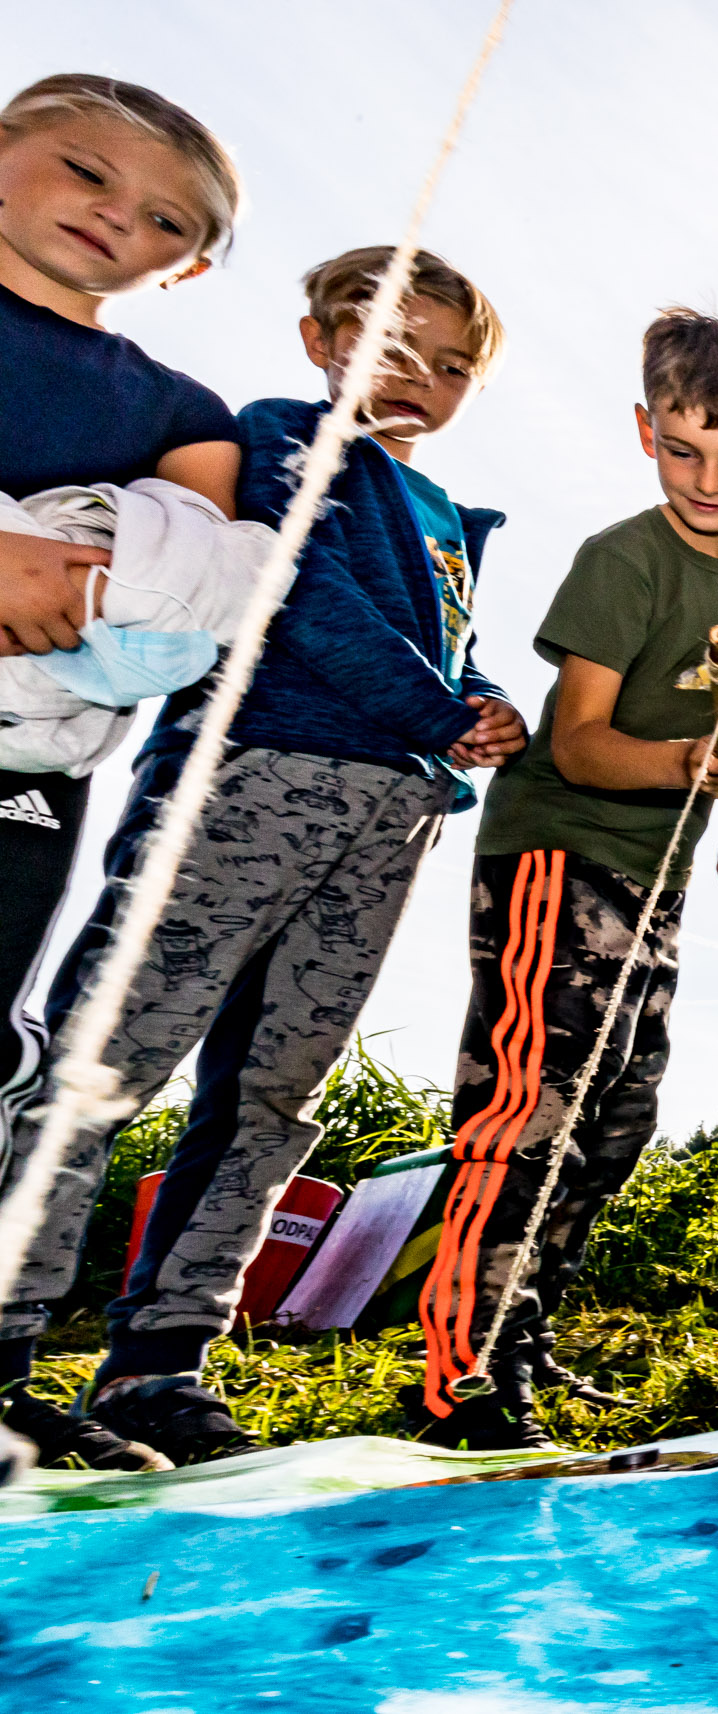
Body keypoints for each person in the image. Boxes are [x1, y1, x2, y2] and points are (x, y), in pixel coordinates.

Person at [0, 246, 524, 1468]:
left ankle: (159, 1363)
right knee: (109, 1055)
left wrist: (486, 702)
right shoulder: (282, 436)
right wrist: (438, 709)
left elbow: (445, 649)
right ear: (322, 338)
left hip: (389, 817)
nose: (421, 379)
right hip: (251, 780)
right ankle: (9, 1339)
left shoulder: (444, 516)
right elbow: (302, 594)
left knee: (273, 1092)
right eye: (395, 344)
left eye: (451, 368)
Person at [411, 308, 718, 1450]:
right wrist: (683, 762)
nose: (710, 480)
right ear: (646, 432)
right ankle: (460, 1376)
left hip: (661, 869)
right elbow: (576, 738)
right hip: (557, 853)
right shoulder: (622, 560)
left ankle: (521, 1334)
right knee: (527, 1103)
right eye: (683, 450)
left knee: (617, 1113)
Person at [0, 73, 243, 1471]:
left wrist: (81, 581)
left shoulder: (180, 408)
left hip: (22, 768)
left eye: (162, 216)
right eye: (84, 170)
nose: (116, 216)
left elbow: (184, 586)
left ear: (189, 262)